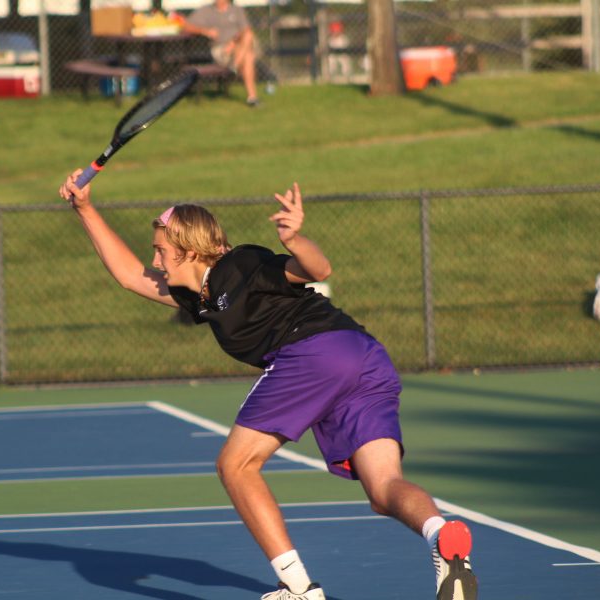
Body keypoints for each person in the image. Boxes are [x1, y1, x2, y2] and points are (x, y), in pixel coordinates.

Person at [59, 171, 479, 600]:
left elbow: (316, 269)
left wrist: (295, 239)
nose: (156, 259)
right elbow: (131, 276)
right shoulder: (196, 295)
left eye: (161, 250)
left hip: (314, 354)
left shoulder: (241, 265)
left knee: (235, 466)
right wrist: (86, 208)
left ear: (188, 252)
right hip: (365, 357)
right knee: (383, 488)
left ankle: (298, 588)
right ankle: (441, 537)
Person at [182, 0, 260, 107]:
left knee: (248, 38)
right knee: (248, 56)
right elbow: (186, 26)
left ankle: (235, 67)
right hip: (221, 50)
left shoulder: (237, 10)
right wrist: (205, 31)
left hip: (237, 47)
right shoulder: (206, 11)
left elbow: (246, 30)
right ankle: (252, 97)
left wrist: (233, 42)